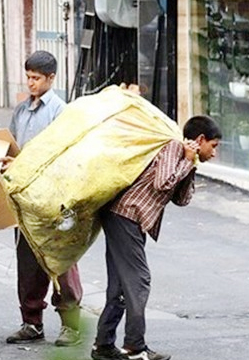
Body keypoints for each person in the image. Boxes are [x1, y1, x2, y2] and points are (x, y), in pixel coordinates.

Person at [91, 116, 222, 360]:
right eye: (213, 146)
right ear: (200, 139)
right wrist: (186, 159)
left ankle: (104, 345)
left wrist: (189, 163)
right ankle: (134, 347)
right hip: (126, 215)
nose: (214, 153)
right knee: (139, 280)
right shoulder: (173, 146)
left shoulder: (184, 155)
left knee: (120, 284)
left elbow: (181, 200)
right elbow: (163, 183)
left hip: (129, 219)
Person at [1, 50, 84, 347]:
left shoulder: (61, 112)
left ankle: (71, 325)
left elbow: (60, 156)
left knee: (61, 261)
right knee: (28, 262)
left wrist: (22, 163)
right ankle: (31, 322)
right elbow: (13, 148)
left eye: (36, 78)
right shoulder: (21, 111)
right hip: (24, 200)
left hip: (54, 199)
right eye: (28, 77)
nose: (31, 83)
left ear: (51, 78)